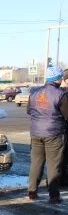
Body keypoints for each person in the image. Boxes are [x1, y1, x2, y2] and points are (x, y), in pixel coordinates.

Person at [27, 66, 68, 203]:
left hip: (36, 133)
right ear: (57, 79)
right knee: (53, 165)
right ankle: (54, 195)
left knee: (36, 163)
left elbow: (29, 111)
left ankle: (32, 192)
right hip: (54, 134)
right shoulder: (60, 94)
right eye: (61, 77)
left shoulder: (34, 92)